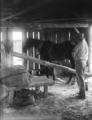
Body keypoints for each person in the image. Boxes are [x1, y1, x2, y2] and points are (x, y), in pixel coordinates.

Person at [72, 33, 89, 99]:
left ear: (79, 38)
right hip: (84, 62)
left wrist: (75, 59)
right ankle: (81, 92)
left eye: (78, 37)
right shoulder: (85, 43)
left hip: (79, 62)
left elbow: (73, 52)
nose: (77, 38)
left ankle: (82, 95)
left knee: (80, 78)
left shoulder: (79, 44)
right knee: (82, 77)